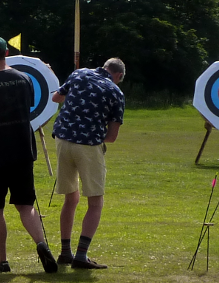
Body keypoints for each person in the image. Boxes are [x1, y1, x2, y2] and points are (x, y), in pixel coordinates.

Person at [0, 36, 57, 273]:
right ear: (6, 52)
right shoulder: (25, 79)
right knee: (26, 204)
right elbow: (28, 109)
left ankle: (2, 261)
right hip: (22, 150)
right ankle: (41, 244)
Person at [50, 58, 126, 269]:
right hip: (88, 145)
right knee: (95, 202)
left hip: (62, 140)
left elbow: (57, 97)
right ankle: (81, 256)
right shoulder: (115, 91)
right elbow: (111, 137)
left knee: (70, 198)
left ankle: (65, 252)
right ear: (118, 76)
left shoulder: (79, 74)